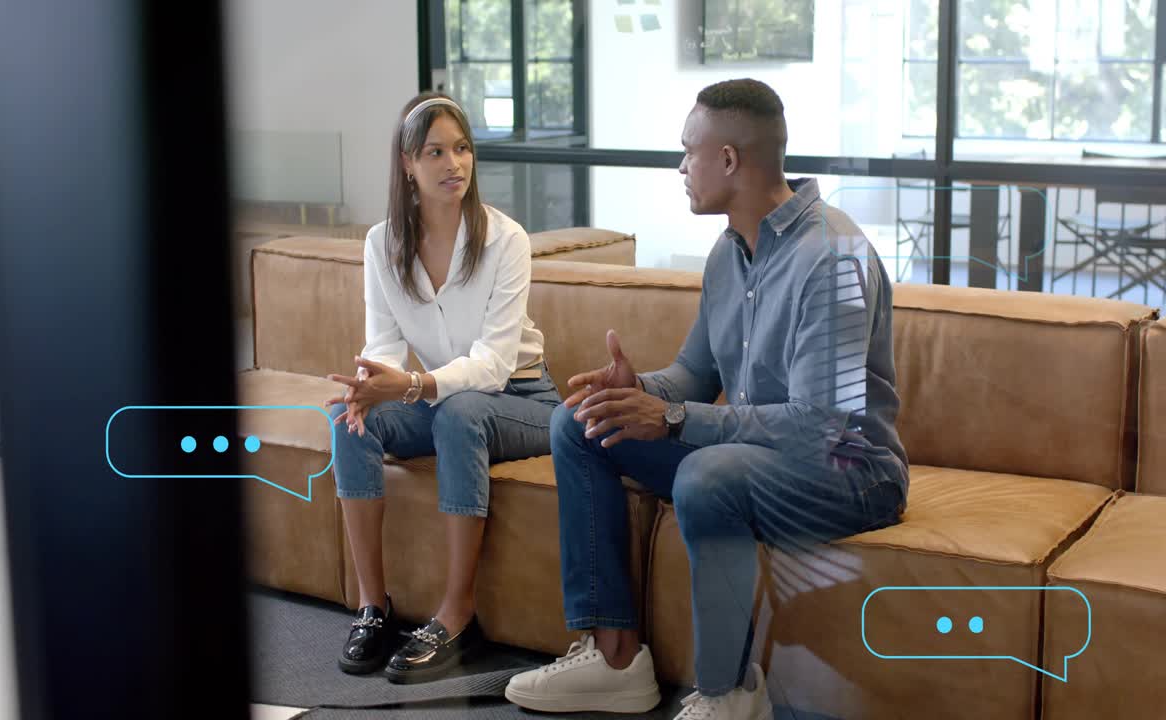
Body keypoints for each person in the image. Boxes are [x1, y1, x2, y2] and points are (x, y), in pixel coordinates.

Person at [504, 79, 909, 719]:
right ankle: (615, 659)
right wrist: (637, 392)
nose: (681, 168)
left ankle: (730, 695)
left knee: (705, 474)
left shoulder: (833, 255)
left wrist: (669, 418)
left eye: (689, 152)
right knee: (579, 425)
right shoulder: (729, 252)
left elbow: (819, 427)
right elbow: (695, 374)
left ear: (728, 160)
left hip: (851, 474)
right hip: (758, 456)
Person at [324, 92, 561, 682]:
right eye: (435, 152)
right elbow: (381, 345)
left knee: (459, 414)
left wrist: (409, 383)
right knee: (349, 420)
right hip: (438, 396)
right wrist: (365, 387)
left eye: (462, 149)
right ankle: (373, 608)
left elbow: (493, 365)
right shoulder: (382, 243)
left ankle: (457, 616)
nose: (453, 163)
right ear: (407, 162)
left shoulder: (507, 241)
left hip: (522, 400)